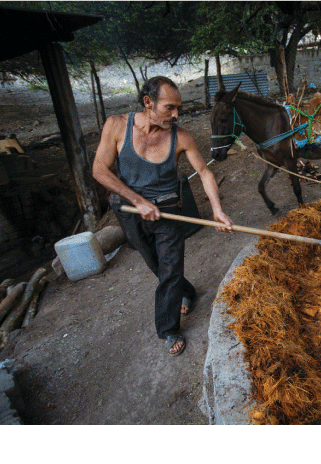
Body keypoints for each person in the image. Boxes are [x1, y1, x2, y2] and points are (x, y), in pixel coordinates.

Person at [92, 76, 234, 356]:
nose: (176, 114)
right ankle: (187, 291)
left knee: (169, 269)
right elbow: (99, 170)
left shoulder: (181, 137)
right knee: (156, 264)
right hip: (130, 211)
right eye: (170, 107)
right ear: (148, 102)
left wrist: (217, 210)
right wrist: (137, 200)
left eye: (178, 108)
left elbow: (204, 173)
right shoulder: (117, 126)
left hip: (169, 211)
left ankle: (168, 330)